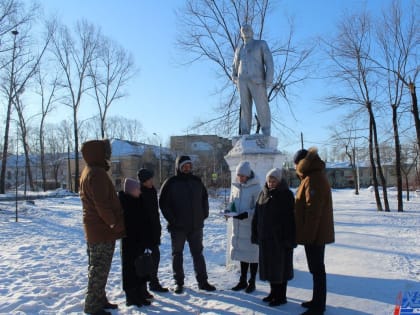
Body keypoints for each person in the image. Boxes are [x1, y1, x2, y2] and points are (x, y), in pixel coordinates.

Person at [79, 139, 125, 315]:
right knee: (99, 269)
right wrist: (113, 223)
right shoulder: (96, 173)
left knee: (98, 267)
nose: (108, 155)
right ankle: (93, 306)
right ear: (98, 153)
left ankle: (100, 299)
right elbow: (101, 204)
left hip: (96, 230)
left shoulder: (89, 171)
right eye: (106, 151)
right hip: (102, 230)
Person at [159, 155, 216, 294]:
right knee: (177, 254)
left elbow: (204, 198)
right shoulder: (171, 182)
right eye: (184, 166)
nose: (187, 168)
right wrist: (173, 220)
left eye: (189, 166)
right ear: (178, 167)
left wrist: (204, 214)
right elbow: (163, 203)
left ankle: (203, 282)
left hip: (196, 226)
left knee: (198, 254)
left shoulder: (196, 181)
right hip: (178, 228)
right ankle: (179, 282)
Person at [294, 148, 335, 315]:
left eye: (296, 163)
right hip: (315, 233)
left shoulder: (313, 179)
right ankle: (316, 300)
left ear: (303, 163)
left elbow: (313, 212)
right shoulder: (311, 176)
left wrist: (308, 236)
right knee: (316, 269)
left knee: (317, 269)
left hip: (315, 235)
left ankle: (318, 306)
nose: (295, 166)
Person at [251, 168, 295, 307]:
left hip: (280, 239)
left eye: (274, 180)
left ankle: (281, 296)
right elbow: (256, 216)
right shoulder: (262, 194)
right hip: (265, 239)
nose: (271, 183)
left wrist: (289, 239)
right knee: (269, 267)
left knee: (280, 268)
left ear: (279, 180)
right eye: (269, 180)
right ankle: (272, 293)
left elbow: (291, 219)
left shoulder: (286, 195)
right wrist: (255, 233)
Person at [232, 23, 274, 136]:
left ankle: (266, 131)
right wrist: (234, 76)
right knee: (245, 108)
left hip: (257, 80)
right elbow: (235, 65)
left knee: (262, 106)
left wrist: (269, 78)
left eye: (248, 29)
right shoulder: (239, 48)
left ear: (252, 31)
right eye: (243, 29)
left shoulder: (260, 44)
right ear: (241, 33)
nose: (245, 30)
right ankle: (245, 132)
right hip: (242, 81)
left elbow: (269, 62)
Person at [118, 178, 153, 308]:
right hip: (129, 241)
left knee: (139, 268)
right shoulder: (126, 202)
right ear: (132, 190)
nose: (140, 191)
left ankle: (139, 292)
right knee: (129, 269)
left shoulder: (138, 200)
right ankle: (131, 296)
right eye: (137, 189)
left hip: (140, 241)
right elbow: (129, 224)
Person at [227, 161, 260, 293]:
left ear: (248, 175)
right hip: (239, 226)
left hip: (251, 226)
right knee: (242, 254)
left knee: (252, 255)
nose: (240, 178)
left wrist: (247, 214)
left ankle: (252, 282)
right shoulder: (235, 187)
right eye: (238, 175)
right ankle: (242, 280)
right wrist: (228, 211)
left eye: (243, 175)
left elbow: (258, 208)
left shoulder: (256, 188)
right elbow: (232, 203)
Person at [137, 168, 168, 293]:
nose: (152, 181)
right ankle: (144, 285)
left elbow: (155, 213)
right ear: (144, 181)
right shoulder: (139, 192)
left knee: (155, 256)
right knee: (144, 259)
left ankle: (153, 282)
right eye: (149, 179)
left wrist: (158, 228)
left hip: (154, 230)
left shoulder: (152, 191)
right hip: (144, 232)